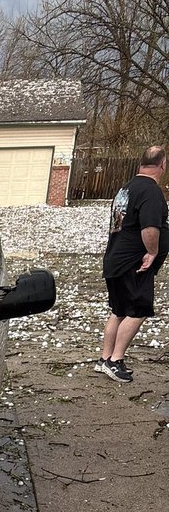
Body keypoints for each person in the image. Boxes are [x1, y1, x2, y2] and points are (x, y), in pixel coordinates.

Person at [94, 145, 168, 383]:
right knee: (137, 311)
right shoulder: (151, 192)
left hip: (115, 259)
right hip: (133, 263)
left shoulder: (126, 189)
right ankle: (115, 361)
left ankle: (105, 359)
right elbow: (150, 228)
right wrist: (152, 253)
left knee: (118, 311)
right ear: (162, 165)